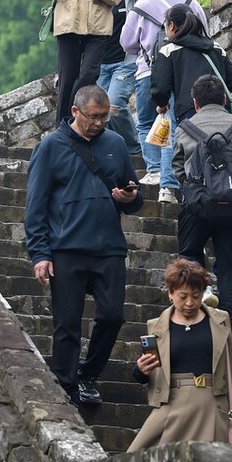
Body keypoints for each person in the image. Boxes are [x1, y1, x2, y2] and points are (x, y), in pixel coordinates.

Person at [25, 85, 143, 406]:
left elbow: (134, 197)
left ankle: (88, 374)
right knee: (67, 323)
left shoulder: (115, 144)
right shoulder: (50, 146)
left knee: (113, 315)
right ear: (75, 111)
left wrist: (129, 197)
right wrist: (40, 254)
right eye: (93, 117)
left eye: (104, 117)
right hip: (67, 247)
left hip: (109, 247)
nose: (99, 123)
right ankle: (66, 388)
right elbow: (35, 206)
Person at [171, 75, 232, 333]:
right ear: (225, 100)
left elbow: (178, 168)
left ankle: (198, 302)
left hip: (198, 207)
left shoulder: (185, 128)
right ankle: (230, 329)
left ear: (195, 103)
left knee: (189, 255)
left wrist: (193, 188)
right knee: (230, 266)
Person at [127, 257, 232, 452]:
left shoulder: (221, 321)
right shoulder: (157, 327)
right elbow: (143, 375)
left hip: (212, 404)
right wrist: (141, 370)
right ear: (170, 293)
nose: (189, 302)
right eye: (183, 296)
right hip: (171, 405)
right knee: (136, 459)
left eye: (196, 295)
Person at [119, 0, 207, 202]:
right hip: (184, 74)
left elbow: (126, 43)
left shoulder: (143, 5)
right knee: (174, 126)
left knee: (146, 122)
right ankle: (168, 187)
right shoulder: (192, 3)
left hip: (148, 72)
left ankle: (155, 170)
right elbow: (205, 36)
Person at [96, 0, 148, 156]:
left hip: (126, 62)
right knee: (98, 108)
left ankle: (134, 148)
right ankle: (113, 150)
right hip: (100, 63)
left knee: (114, 104)